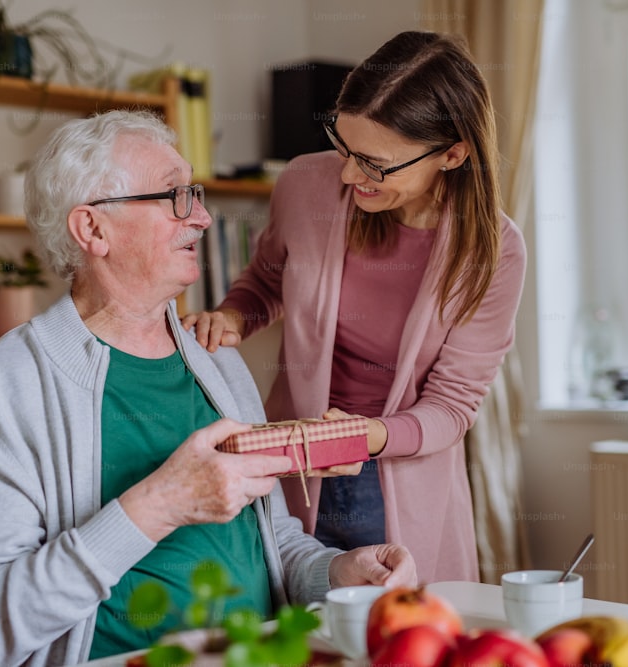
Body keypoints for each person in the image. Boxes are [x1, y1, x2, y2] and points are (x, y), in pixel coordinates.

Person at [0, 109, 417, 667]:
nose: (204, 218)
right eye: (174, 197)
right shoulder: (3, 384)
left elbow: (272, 545)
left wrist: (338, 573)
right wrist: (159, 505)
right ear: (93, 229)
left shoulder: (218, 362)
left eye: (196, 193)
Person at [182, 30, 527, 583]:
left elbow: (453, 405)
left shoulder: (494, 252)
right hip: (290, 457)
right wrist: (231, 317)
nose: (347, 175)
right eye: (342, 146)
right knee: (296, 627)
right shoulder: (304, 183)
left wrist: (364, 437)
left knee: (394, 636)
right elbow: (267, 280)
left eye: (374, 164)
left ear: (454, 154)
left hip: (397, 476)